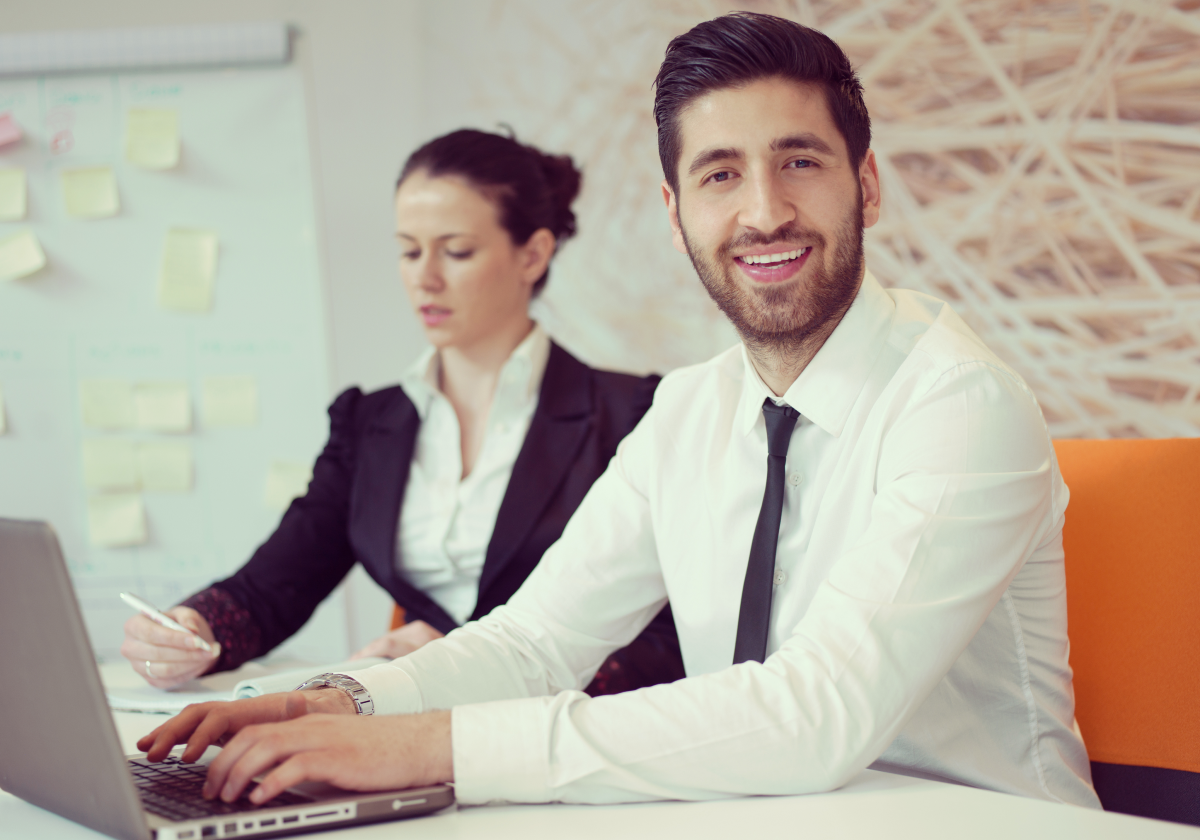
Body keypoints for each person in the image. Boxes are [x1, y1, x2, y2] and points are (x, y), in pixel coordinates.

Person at [139, 13, 1101, 811]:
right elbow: (535, 642)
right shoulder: (687, 410)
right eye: (720, 174)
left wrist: (430, 747)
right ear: (676, 215)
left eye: (800, 162)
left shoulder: (961, 406)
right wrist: (338, 704)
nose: (764, 211)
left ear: (869, 185)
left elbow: (817, 716)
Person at [120, 128, 685, 697]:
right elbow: (275, 586)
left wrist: (462, 665)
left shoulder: (633, 414)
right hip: (409, 720)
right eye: (410, 251)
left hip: (556, 728)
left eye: (456, 251)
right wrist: (195, 630)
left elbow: (671, 635)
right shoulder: (369, 424)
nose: (424, 277)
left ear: (533, 255)